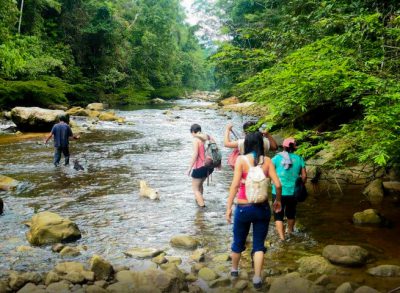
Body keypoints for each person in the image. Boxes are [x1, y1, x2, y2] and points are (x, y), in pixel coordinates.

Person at [226, 132, 282, 290]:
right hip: (262, 208)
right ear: (262, 144)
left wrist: (229, 207)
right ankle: (257, 278)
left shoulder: (241, 160)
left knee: (238, 242)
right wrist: (278, 200)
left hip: (243, 207)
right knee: (258, 245)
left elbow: (235, 185)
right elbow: (278, 185)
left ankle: (234, 271)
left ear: (247, 144)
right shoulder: (268, 161)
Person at [271, 137, 307, 241]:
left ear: (283, 147)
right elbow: (304, 176)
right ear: (295, 147)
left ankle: (282, 238)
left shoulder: (276, 158)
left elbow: (269, 173)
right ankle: (290, 232)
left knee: (278, 215)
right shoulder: (299, 158)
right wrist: (301, 185)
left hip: (278, 192)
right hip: (293, 192)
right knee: (291, 213)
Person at [187, 124, 214, 207]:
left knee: (195, 189)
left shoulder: (196, 140)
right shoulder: (207, 137)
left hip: (200, 167)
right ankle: (199, 202)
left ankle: (202, 208)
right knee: (200, 185)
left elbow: (195, 154)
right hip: (209, 166)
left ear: (193, 132)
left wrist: (189, 168)